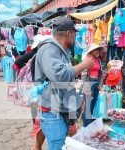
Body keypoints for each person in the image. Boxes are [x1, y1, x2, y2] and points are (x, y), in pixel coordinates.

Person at [35, 17, 94, 150]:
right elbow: (59, 75)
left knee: (63, 145)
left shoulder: (61, 52)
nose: (75, 39)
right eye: (75, 35)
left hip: (61, 109)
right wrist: (84, 65)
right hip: (52, 111)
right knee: (58, 146)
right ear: (69, 33)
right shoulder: (49, 49)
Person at [14, 34, 52, 150]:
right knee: (41, 120)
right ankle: (37, 146)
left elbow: (17, 63)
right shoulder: (39, 55)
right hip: (41, 93)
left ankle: (37, 146)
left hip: (36, 92)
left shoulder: (36, 55)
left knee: (38, 120)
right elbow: (18, 62)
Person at [81, 43, 103, 127]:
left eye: (98, 50)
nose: (97, 51)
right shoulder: (87, 59)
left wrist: (100, 83)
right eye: (96, 50)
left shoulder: (98, 60)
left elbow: (100, 72)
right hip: (89, 83)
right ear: (92, 51)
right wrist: (87, 88)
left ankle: (89, 125)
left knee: (92, 105)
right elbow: (83, 74)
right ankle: (85, 126)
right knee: (88, 107)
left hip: (96, 83)